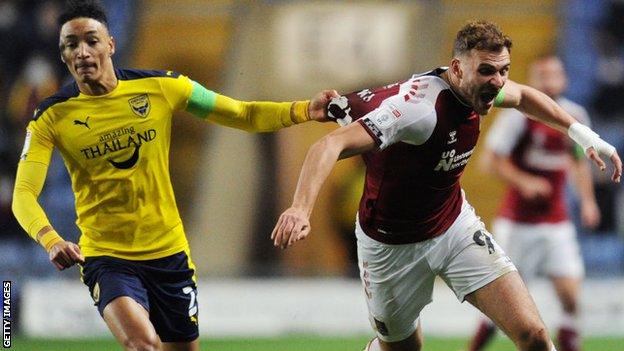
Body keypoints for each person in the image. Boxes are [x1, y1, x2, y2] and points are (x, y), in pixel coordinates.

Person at [271, 21, 621, 351]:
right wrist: (300, 207)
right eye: (487, 70)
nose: (498, 81)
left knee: (533, 334)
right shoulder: (417, 111)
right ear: (457, 69)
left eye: (504, 70)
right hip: (389, 246)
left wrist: (584, 135)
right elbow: (328, 145)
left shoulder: (481, 89)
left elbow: (525, 97)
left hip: (453, 227)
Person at [11, 1, 337, 351]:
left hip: (169, 255)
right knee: (143, 343)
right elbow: (23, 194)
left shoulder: (162, 87)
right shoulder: (51, 116)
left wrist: (304, 109)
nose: (82, 52)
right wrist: (50, 239)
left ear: (111, 45)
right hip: (107, 258)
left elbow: (241, 113)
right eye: (70, 45)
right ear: (62, 56)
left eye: (91, 40)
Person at [467, 56, 600, 351]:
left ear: (564, 78)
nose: (551, 79)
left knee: (570, 298)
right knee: (503, 303)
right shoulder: (517, 117)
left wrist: (588, 201)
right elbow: (490, 161)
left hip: (557, 222)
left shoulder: (575, 114)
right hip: (518, 224)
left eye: (556, 73)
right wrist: (525, 182)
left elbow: (578, 162)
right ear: (532, 80)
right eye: (543, 74)